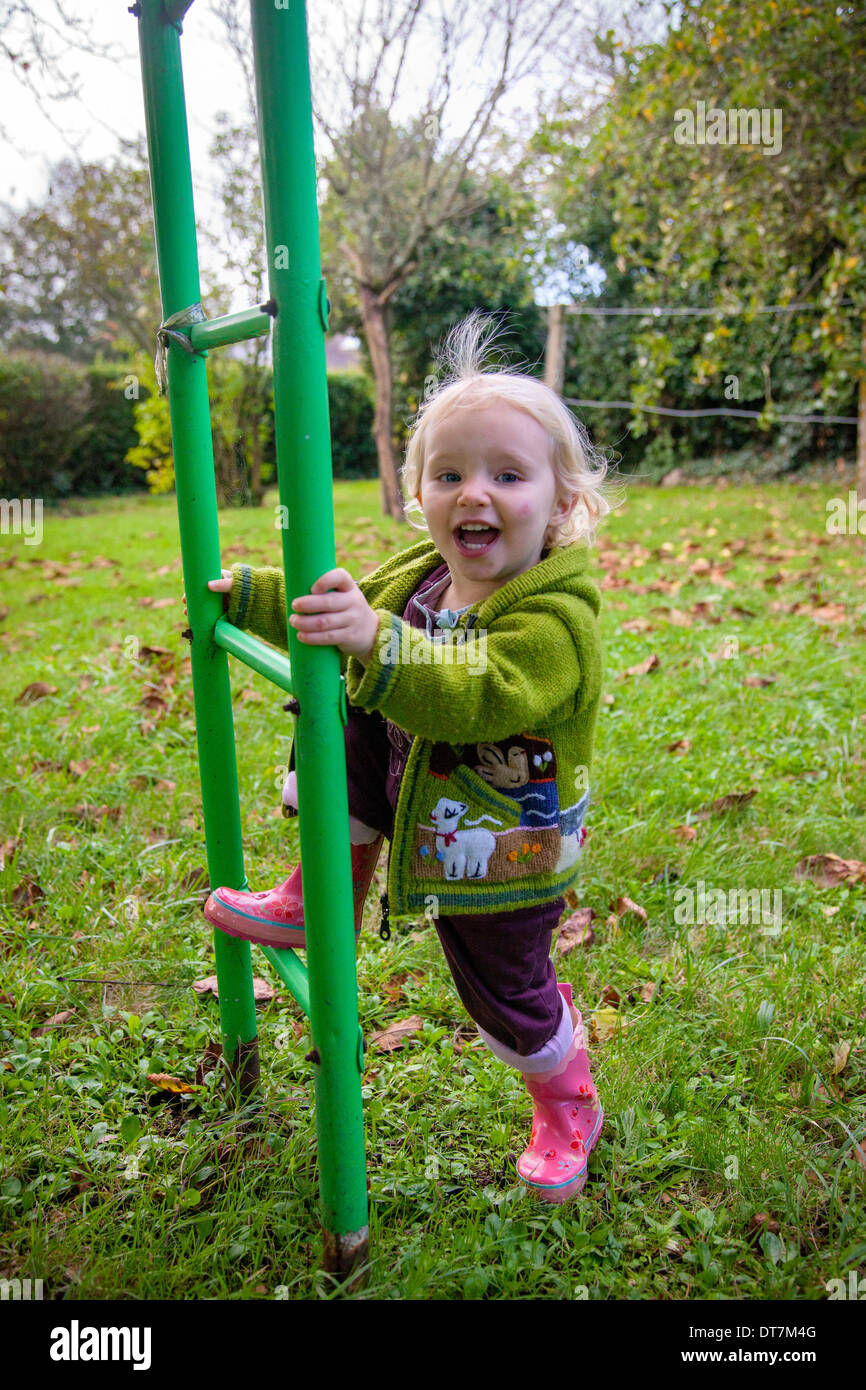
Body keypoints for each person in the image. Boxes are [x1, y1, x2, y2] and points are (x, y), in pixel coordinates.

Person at [202, 310, 614, 1203]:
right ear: (416, 492)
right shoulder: (419, 577)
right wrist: (256, 597)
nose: (475, 493)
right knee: (338, 712)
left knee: (506, 999)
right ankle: (321, 896)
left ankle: (566, 1096)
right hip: (406, 782)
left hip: (503, 850)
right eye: (450, 473)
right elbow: (340, 609)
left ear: (563, 504)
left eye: (508, 474)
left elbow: (475, 694)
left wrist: (377, 645)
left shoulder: (555, 621)